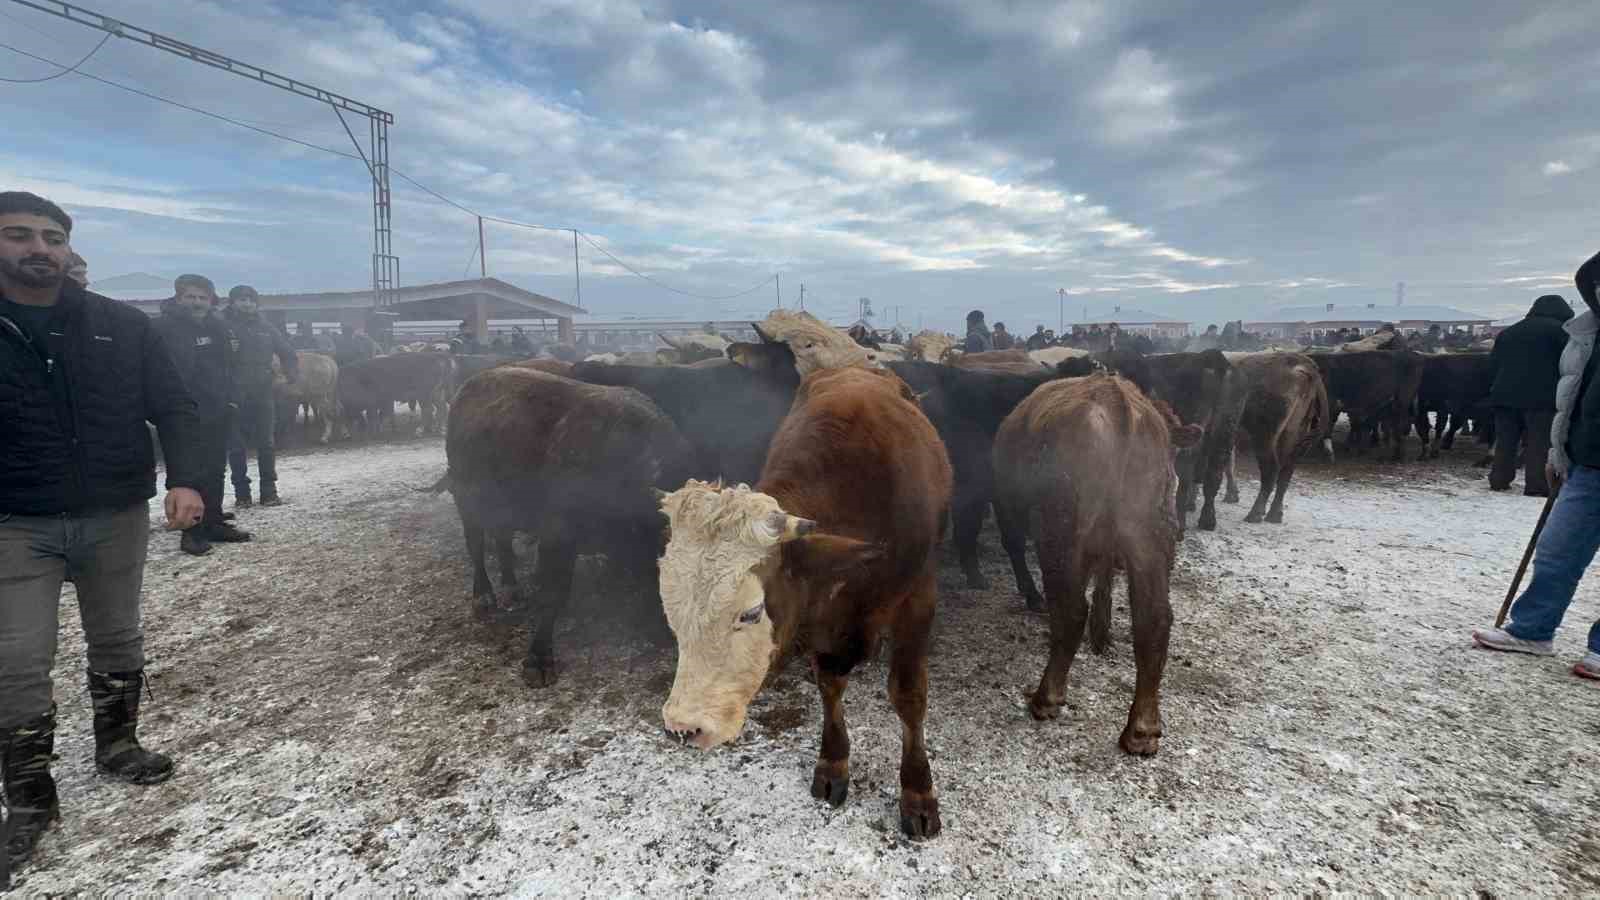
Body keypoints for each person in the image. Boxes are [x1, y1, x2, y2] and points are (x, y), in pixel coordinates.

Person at [0, 192, 203, 872]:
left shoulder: (122, 325)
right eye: (20, 235)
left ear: (68, 249)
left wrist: (188, 479)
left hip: (113, 512)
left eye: (52, 237)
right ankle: (30, 796)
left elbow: (173, 404)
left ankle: (118, 745)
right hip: (14, 519)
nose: (39, 249)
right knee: (18, 660)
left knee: (117, 636)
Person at [1473, 251, 1600, 680]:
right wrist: (1558, 450)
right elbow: (1575, 392)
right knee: (1556, 550)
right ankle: (1532, 630)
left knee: (1508, 442)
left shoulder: (1515, 333)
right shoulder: (1585, 334)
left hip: (1507, 397)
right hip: (1586, 459)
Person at [155, 274, 250, 555]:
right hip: (183, 413)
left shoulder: (221, 328)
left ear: (211, 301)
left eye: (202, 298)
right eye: (190, 297)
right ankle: (191, 532)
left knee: (215, 469)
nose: (196, 303)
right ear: (178, 298)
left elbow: (235, 366)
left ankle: (213, 521)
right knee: (189, 473)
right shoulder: (162, 329)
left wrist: (233, 400)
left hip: (218, 409)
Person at [1487, 294, 1573, 496]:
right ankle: (1536, 485)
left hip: (1504, 396)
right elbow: (1570, 366)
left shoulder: (1509, 332)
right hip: (1543, 398)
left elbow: (1492, 365)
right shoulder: (1561, 333)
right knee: (1539, 442)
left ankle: (1499, 479)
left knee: (1506, 439)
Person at [224, 285, 297, 508]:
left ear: (256, 303)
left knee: (266, 442)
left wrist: (290, 376)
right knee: (236, 446)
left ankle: (269, 491)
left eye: (250, 300)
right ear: (232, 302)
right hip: (232, 393)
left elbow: (288, 353)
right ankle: (242, 494)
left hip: (262, 392)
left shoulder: (266, 327)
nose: (246, 304)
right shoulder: (221, 325)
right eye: (241, 299)